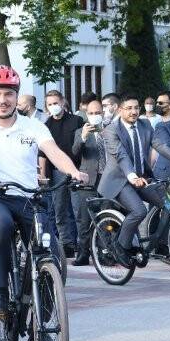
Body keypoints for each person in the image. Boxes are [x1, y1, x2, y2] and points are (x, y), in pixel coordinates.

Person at [0, 65, 88, 319]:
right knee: (2, 226)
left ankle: (45, 322)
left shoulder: (33, 126)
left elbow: (54, 153)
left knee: (50, 250)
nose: (2, 100)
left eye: (8, 94)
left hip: (29, 198)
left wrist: (73, 171)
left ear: (16, 96)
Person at [97, 94, 170, 267]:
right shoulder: (111, 130)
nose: (133, 111)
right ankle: (120, 246)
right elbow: (121, 155)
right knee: (139, 211)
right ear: (120, 110)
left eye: (136, 108)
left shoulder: (145, 126)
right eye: (129, 108)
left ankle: (154, 244)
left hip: (142, 179)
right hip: (120, 180)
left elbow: (159, 145)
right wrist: (132, 176)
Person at [42, 90, 84, 257]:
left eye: (55, 103)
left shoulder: (76, 120)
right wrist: (43, 174)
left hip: (77, 169)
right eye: (50, 104)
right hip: (57, 172)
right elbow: (43, 153)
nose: (54, 107)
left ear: (63, 102)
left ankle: (82, 245)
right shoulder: (46, 125)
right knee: (60, 210)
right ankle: (66, 244)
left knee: (78, 209)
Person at [71, 100, 106, 265]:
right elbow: (75, 152)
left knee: (106, 217)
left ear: (103, 112)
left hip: (108, 179)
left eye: (97, 113)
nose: (94, 116)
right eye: (91, 113)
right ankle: (83, 253)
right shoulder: (80, 131)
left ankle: (105, 252)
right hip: (88, 180)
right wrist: (83, 138)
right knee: (84, 219)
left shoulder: (111, 130)